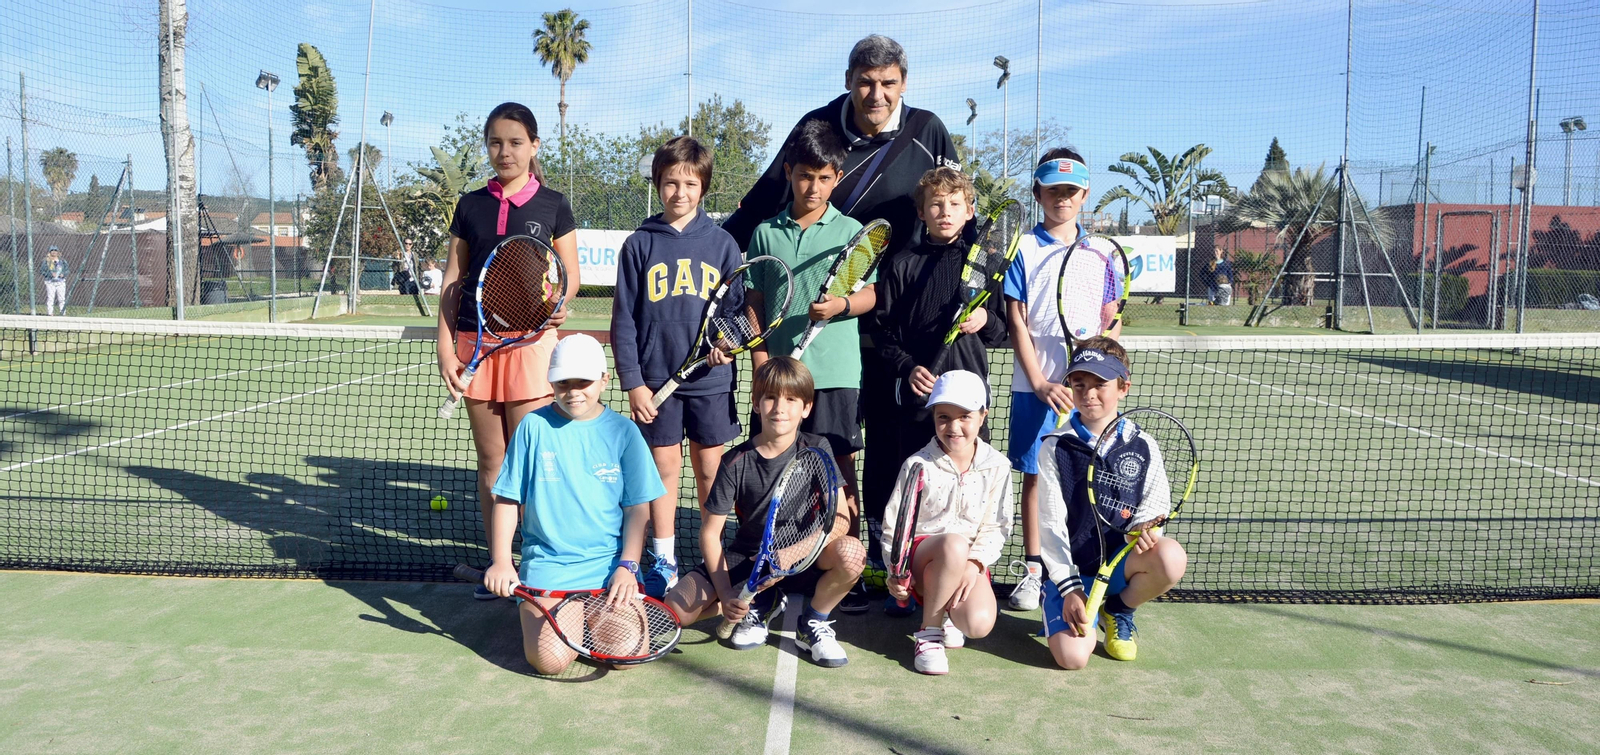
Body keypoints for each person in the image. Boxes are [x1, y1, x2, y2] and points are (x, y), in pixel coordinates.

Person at [435, 102, 580, 601]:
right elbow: (455, 281)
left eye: (516, 142)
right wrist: (445, 347)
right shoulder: (470, 205)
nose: (505, 152)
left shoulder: (554, 203)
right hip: (477, 343)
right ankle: (502, 564)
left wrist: (561, 302)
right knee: (491, 464)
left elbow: (570, 275)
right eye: (495, 142)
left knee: (533, 461)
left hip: (530, 345)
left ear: (534, 145)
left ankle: (539, 564)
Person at [745, 119, 873, 613]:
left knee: (841, 471)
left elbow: (869, 294)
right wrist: (761, 363)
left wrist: (840, 307)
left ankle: (849, 565)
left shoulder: (852, 232)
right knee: (777, 470)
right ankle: (777, 569)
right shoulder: (764, 233)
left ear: (836, 177)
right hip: (781, 379)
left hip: (837, 374)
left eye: (823, 177)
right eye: (804, 176)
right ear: (788, 173)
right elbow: (756, 303)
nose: (813, 186)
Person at [662, 357, 865, 668]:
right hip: (750, 559)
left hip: (805, 560)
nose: (779, 408)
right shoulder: (735, 461)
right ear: (756, 404)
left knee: (853, 553)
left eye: (791, 399)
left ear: (806, 408)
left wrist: (794, 552)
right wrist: (727, 592)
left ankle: (812, 622)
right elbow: (709, 534)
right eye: (770, 397)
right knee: (677, 608)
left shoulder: (817, 447)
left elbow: (841, 519)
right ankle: (760, 601)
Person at [481, 333, 666, 675]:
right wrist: (502, 562)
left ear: (604, 380)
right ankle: (561, 618)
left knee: (625, 655)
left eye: (584, 382)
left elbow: (637, 510)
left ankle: (587, 616)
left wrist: (628, 566)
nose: (574, 391)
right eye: (564, 383)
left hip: (608, 569)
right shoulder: (532, 427)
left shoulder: (625, 432)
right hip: (548, 569)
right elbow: (507, 499)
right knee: (548, 662)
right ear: (551, 382)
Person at [610, 136, 744, 598]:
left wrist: (727, 343)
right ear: (658, 184)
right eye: (671, 182)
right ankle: (663, 560)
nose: (680, 192)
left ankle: (714, 559)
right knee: (661, 471)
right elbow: (623, 321)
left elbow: (736, 313)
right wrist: (634, 385)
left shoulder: (724, 244)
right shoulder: (639, 245)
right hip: (655, 384)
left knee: (711, 472)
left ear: (703, 186)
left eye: (690, 183)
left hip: (710, 383)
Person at [870, 166, 1007, 615]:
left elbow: (1002, 328)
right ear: (921, 211)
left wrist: (986, 321)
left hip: (968, 399)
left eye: (954, 204)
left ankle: (963, 577)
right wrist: (908, 368)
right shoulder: (903, 264)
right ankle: (905, 579)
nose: (944, 212)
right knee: (915, 494)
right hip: (918, 404)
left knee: (970, 492)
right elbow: (883, 334)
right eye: (935, 204)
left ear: (970, 211)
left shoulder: (983, 263)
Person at [1001, 148, 1123, 616]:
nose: (1062, 199)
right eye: (1053, 191)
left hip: (1086, 388)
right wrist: (1039, 382)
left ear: (1084, 195)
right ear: (1038, 195)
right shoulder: (1024, 248)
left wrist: (1094, 369)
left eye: (1070, 191)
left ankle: (1082, 567)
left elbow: (1111, 322)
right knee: (1036, 474)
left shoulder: (1102, 252)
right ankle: (1035, 570)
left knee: (1087, 475)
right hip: (1037, 385)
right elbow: (1017, 320)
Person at [1036, 338, 1188, 670]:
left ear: (1123, 387)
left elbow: (1155, 502)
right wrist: (1069, 587)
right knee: (1073, 659)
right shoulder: (1054, 447)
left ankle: (1118, 609)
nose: (1088, 393)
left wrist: (1145, 528)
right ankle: (1057, 599)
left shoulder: (1144, 444)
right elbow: (1050, 524)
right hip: (1073, 574)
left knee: (1171, 557)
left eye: (1100, 384)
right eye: (1079, 384)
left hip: (1119, 567)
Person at [880, 370, 1012, 675]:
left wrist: (975, 564)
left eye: (965, 416)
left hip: (966, 561)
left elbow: (997, 526)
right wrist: (895, 572)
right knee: (952, 543)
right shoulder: (917, 464)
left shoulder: (998, 466)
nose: (953, 427)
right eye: (943, 417)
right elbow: (895, 527)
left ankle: (951, 615)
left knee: (977, 624)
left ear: (983, 416)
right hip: (922, 559)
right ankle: (929, 633)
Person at [41, 246, 67, 316]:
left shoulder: (62, 261)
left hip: (60, 282)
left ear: (58, 252)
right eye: (52, 250)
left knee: (61, 298)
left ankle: (63, 312)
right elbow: (43, 271)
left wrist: (63, 274)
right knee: (50, 298)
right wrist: (50, 274)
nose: (54, 252)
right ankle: (50, 313)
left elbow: (67, 270)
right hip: (50, 282)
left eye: (55, 250)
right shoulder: (47, 261)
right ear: (49, 252)